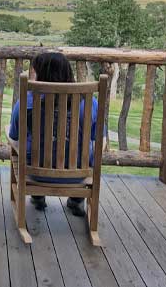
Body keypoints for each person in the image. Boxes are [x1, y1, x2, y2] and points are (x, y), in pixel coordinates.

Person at [8, 52, 99, 216]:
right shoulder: (89, 102)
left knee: (23, 146)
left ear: (41, 73)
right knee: (90, 146)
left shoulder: (27, 100)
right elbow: (96, 137)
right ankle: (77, 200)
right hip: (78, 176)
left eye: (34, 71)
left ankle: (37, 195)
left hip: (36, 174)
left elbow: (14, 136)